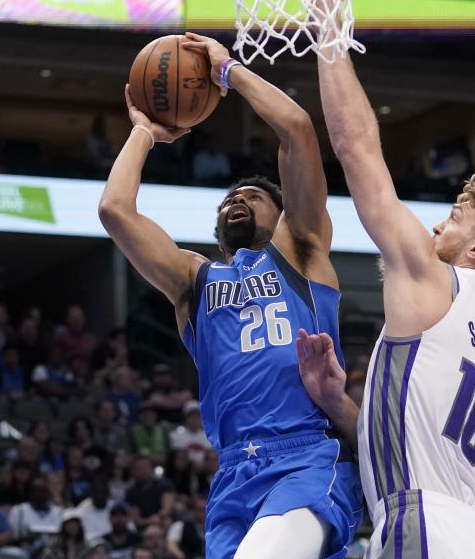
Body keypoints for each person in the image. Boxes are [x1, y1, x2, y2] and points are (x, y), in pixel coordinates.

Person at [294, 0, 475, 557]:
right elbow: (417, 442)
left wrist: (329, 29)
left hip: (424, 526)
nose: (439, 224)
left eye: (456, 218)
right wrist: (337, 403)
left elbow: (358, 151)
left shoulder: (437, 279)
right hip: (465, 531)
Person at [98, 30, 362, 558]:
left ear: (282, 214)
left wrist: (227, 72)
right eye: (229, 198)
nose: (237, 199)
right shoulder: (194, 282)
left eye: (254, 196)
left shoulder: (301, 252)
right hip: (233, 473)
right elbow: (114, 211)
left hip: (306, 457)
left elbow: (296, 130)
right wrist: (145, 133)